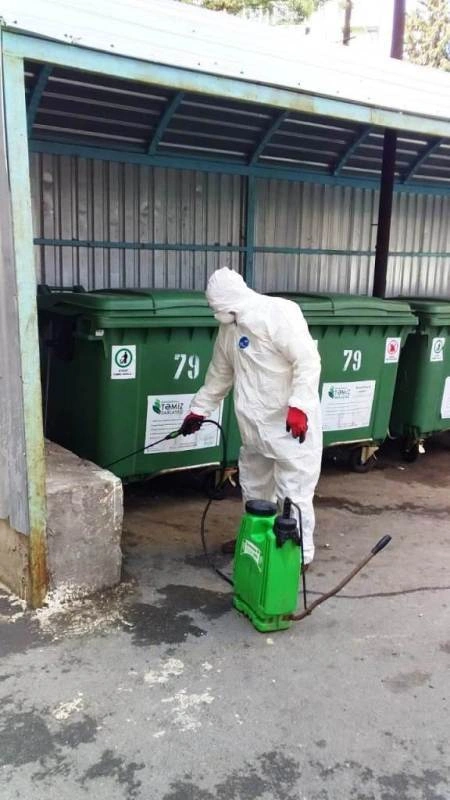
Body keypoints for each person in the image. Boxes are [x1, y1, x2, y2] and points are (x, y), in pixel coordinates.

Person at [180, 267, 322, 566]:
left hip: (289, 426)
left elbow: (307, 361)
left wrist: (299, 406)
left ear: (233, 301)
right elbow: (220, 373)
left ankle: (297, 555)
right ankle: (254, 538)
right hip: (254, 428)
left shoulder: (278, 313)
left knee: (293, 493)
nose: (218, 314)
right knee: (255, 487)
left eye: (220, 308)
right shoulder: (229, 330)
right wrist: (199, 409)